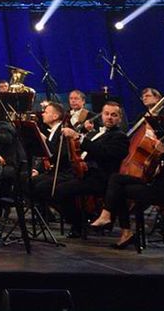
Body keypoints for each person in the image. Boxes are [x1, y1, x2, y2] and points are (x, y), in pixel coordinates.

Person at [90, 107, 164, 248]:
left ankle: (122, 228)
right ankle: (108, 216)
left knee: (118, 189)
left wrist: (163, 154)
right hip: (159, 186)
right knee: (116, 178)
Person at [38, 101, 128, 238]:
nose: (109, 117)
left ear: (119, 118)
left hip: (101, 178)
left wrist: (79, 137)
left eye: (114, 115)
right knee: (52, 188)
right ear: (102, 115)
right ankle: (80, 220)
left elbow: (104, 153)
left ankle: (79, 223)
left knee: (59, 191)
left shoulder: (120, 137)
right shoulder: (97, 133)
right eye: (106, 114)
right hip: (84, 173)